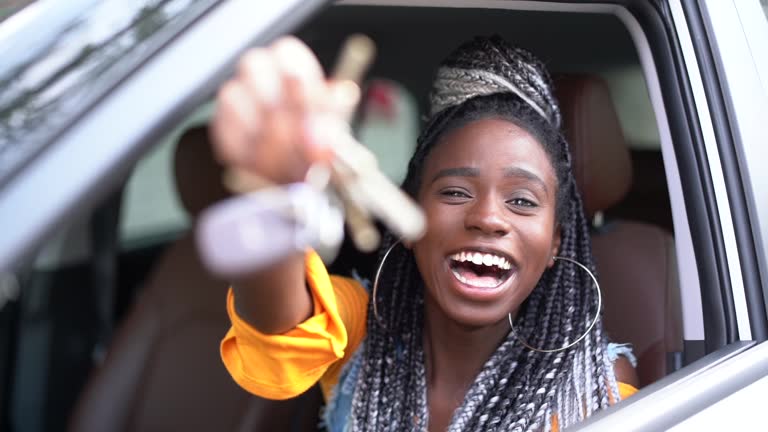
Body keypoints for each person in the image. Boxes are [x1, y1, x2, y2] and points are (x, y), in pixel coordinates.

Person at [211, 34, 639, 432]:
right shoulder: (364, 325)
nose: (488, 218)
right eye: (455, 191)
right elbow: (279, 327)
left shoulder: (597, 390)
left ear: (555, 244)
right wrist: (277, 196)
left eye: (523, 201)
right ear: (410, 217)